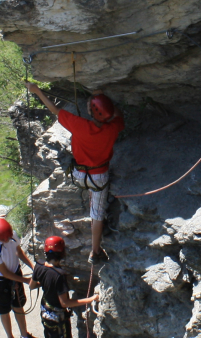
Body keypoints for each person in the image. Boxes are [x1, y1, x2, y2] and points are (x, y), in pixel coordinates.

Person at [25, 83, 126, 262]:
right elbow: (118, 116)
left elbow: (54, 110)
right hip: (99, 177)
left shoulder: (80, 126)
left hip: (79, 175)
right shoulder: (113, 128)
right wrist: (105, 101)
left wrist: (37, 91)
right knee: (97, 214)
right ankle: (95, 251)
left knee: (94, 203)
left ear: (92, 111)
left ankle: (94, 229)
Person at [30, 235, 100, 338]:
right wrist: (90, 299)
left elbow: (33, 285)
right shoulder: (59, 276)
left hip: (44, 312)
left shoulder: (39, 266)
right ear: (62, 254)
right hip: (55, 317)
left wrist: (46, 282)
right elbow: (65, 303)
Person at [0, 216, 41, 338]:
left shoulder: (12, 236)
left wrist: (32, 267)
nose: (7, 240)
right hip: (1, 281)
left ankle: (24, 336)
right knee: (4, 310)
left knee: (18, 305)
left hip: (15, 272)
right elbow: (5, 272)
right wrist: (25, 280)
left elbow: (18, 252)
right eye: (4, 238)